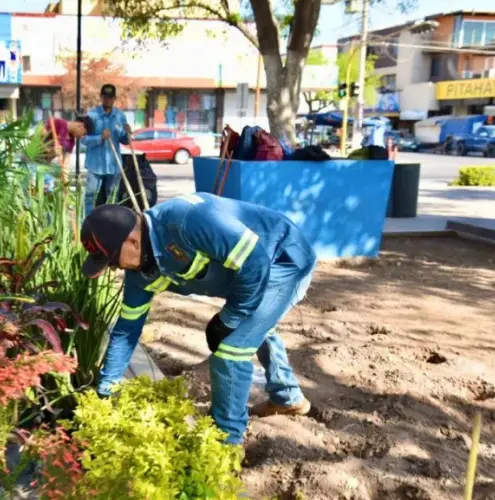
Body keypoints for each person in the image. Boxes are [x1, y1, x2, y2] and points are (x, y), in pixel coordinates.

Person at [80, 194, 317, 445]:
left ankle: (225, 444)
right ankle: (288, 399)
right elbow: (126, 331)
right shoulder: (140, 273)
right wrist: (107, 390)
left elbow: (255, 263)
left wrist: (229, 319)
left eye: (112, 261)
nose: (115, 269)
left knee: (231, 350)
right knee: (256, 329)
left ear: (133, 242)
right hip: (245, 273)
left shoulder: (186, 221)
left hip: (280, 259)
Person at [81, 83, 131, 216]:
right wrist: (100, 138)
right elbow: (83, 140)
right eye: (105, 97)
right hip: (95, 165)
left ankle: (109, 223)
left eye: (110, 97)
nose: (107, 100)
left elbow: (125, 141)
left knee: (113, 197)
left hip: (114, 165)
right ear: (101, 97)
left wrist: (128, 134)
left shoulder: (120, 116)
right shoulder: (91, 116)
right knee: (90, 196)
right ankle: (87, 223)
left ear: (114, 98)